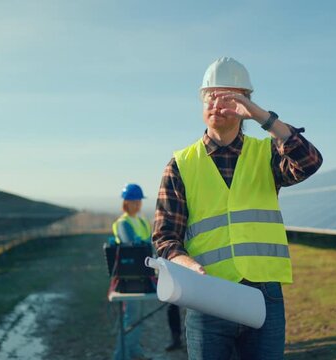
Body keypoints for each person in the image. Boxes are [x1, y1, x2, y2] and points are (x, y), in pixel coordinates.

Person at [152, 57, 323, 360]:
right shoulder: (180, 164)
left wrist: (263, 118)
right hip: (207, 295)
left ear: (246, 102)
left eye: (229, 96)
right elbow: (165, 238)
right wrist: (187, 265)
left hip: (264, 293)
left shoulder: (267, 153)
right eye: (210, 96)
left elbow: (309, 161)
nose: (217, 104)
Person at [112, 183, 152, 360]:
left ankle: (134, 353)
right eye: (133, 201)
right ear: (126, 203)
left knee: (138, 317)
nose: (137, 204)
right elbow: (130, 244)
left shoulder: (143, 221)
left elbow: (150, 243)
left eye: (138, 201)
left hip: (143, 274)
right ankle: (121, 356)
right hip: (129, 277)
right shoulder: (123, 223)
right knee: (131, 318)